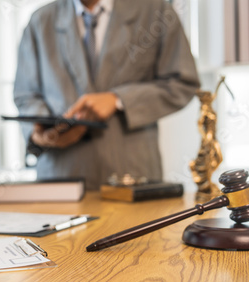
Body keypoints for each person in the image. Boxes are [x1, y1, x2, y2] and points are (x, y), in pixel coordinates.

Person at [13, 0, 200, 190]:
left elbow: (182, 82)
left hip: (131, 172)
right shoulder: (40, 21)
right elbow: (26, 95)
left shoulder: (156, 11)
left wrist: (119, 100)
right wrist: (40, 133)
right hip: (61, 174)